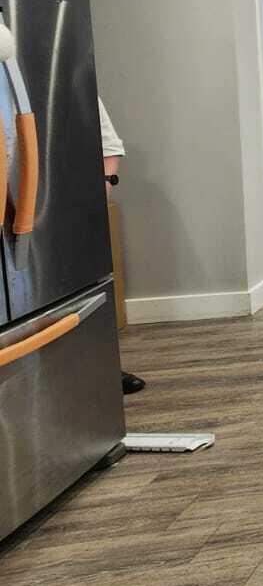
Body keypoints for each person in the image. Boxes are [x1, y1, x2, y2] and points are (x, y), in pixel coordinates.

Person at [100, 98, 143, 396]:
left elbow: (109, 145)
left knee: (87, 294)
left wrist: (98, 193)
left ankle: (100, 368)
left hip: (64, 206)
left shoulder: (74, 80)